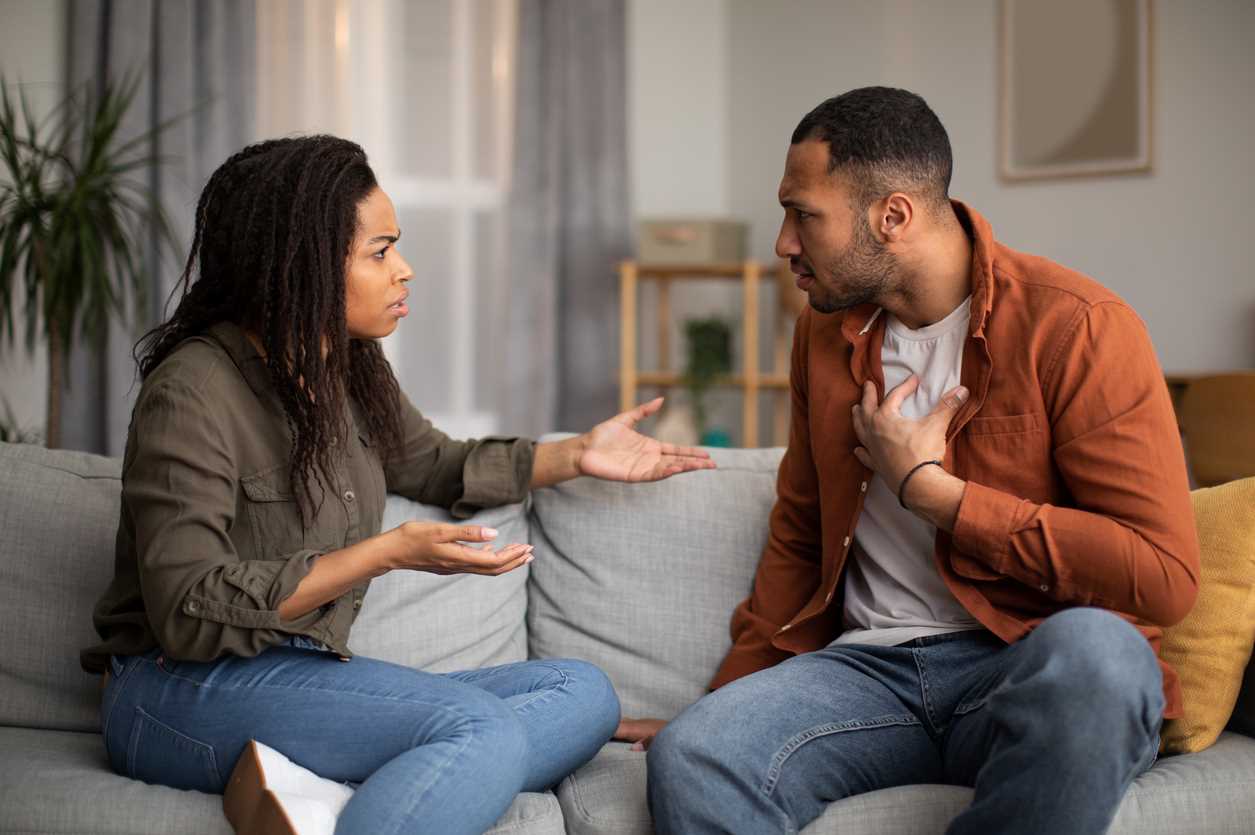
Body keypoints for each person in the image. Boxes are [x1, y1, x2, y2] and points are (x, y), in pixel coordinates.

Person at [79, 135, 715, 835]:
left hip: (298, 673)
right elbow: (189, 608)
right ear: (304, 263)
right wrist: (387, 550)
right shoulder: (193, 390)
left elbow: (434, 463)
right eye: (379, 252)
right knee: (478, 728)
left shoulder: (345, 369)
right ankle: (433, 774)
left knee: (582, 691)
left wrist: (577, 454)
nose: (404, 270)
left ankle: (365, 792)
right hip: (176, 688)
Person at [625, 87, 1200, 835]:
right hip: (866, 675)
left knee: (1098, 653)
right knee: (697, 751)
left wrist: (938, 496)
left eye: (803, 214)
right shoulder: (823, 336)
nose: (783, 243)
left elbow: (1164, 578)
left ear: (890, 216)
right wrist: (719, 703)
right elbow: (799, 528)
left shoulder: (1078, 328)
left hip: (1022, 661)